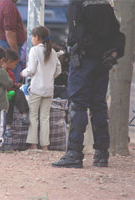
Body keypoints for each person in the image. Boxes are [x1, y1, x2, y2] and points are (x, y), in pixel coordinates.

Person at [52, 0, 125, 168]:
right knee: (98, 105)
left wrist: (82, 48)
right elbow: (117, 34)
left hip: (83, 60)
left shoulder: (77, 5)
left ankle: (74, 153)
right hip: (103, 61)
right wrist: (110, 52)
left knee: (78, 105)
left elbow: (76, 33)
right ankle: (101, 154)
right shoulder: (106, 5)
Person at [20, 26, 61, 150]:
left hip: (36, 89)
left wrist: (23, 73)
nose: (31, 39)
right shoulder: (53, 52)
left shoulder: (34, 50)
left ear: (37, 37)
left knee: (33, 116)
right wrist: (49, 77)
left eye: (32, 36)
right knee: (45, 118)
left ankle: (33, 144)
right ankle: (45, 146)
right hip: (49, 90)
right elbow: (58, 70)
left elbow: (31, 70)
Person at [0, 0, 26, 82]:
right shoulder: (8, 5)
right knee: (8, 77)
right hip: (6, 44)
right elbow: (9, 32)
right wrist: (15, 52)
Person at [2, 49, 29, 130]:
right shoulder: (0, 72)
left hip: (11, 92)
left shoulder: (11, 73)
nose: (15, 66)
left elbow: (11, 84)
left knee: (19, 93)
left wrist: (15, 85)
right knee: (8, 104)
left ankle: (24, 116)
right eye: (15, 64)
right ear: (9, 62)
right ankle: (8, 127)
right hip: (4, 94)